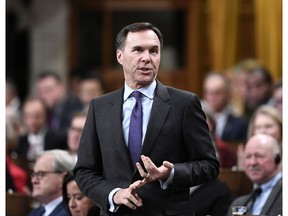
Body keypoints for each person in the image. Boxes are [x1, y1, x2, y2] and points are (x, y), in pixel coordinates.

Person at [74, 22, 220, 216]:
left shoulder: (184, 103)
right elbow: (84, 171)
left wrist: (171, 173)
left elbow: (209, 165)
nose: (147, 58)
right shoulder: (99, 107)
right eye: (137, 50)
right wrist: (114, 194)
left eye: (154, 51)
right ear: (120, 56)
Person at [227, 134, 282, 216]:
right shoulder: (238, 203)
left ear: (277, 159)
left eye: (259, 156)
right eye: (248, 156)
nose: (252, 163)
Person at [16, 97, 68, 162]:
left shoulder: (59, 139)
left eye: (37, 116)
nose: (32, 121)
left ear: (45, 115)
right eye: (28, 116)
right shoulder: (20, 142)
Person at [202, 72, 248, 143]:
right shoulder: (197, 119)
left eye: (217, 93)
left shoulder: (240, 124)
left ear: (227, 94)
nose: (212, 98)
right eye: (209, 93)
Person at [28, 149, 74, 216]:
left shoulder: (71, 212)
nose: (34, 181)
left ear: (63, 178)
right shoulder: (34, 213)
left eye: (41, 174)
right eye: (34, 175)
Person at [237, 105, 282, 170]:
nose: (263, 131)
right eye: (258, 127)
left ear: (281, 128)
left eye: (268, 126)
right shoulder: (246, 155)